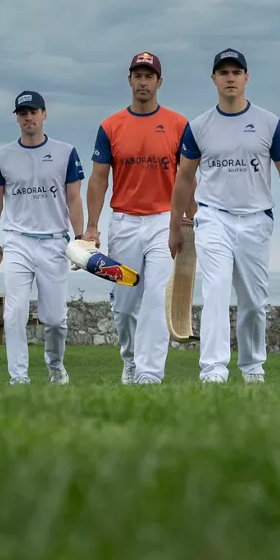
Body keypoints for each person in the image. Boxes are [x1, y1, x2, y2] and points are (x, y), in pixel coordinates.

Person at [168, 48, 280, 384]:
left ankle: (252, 368)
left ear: (246, 78)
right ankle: (213, 370)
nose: (230, 78)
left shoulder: (268, 122)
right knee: (215, 289)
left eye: (236, 72)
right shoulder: (198, 126)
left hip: (256, 219)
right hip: (213, 217)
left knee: (254, 302)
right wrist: (175, 224)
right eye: (223, 72)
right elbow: (184, 176)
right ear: (213, 78)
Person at [85, 52, 192, 385]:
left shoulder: (178, 124)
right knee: (125, 306)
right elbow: (99, 178)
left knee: (156, 297)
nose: (143, 82)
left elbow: (187, 177)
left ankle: (149, 374)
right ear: (129, 80)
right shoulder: (111, 126)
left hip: (164, 221)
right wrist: (91, 227)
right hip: (124, 223)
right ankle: (130, 360)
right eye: (137, 75)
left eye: (149, 76)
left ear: (159, 82)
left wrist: (193, 218)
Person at [0, 90, 86, 385]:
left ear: (44, 115)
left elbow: (74, 199)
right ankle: (19, 378)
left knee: (55, 319)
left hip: (54, 241)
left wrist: (79, 240)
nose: (28, 117)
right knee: (14, 311)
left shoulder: (66, 152)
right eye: (23, 113)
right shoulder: (2, 156)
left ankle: (55, 366)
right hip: (17, 241)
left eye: (33, 112)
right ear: (17, 117)